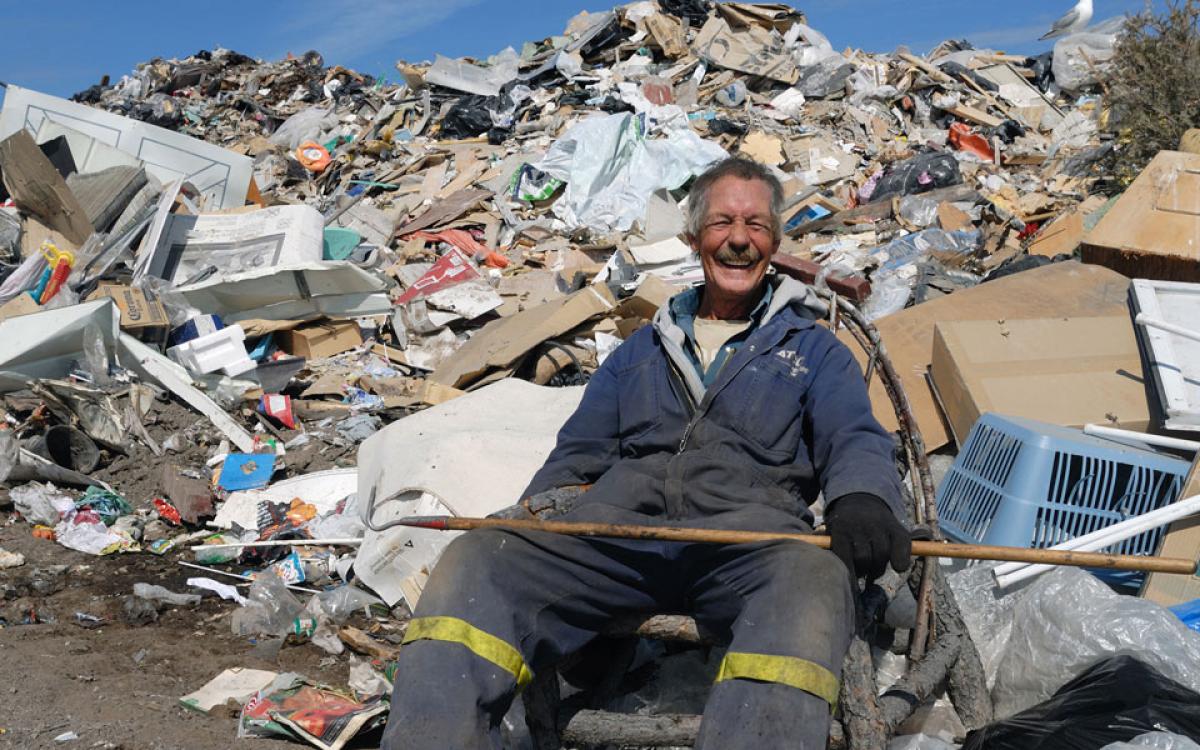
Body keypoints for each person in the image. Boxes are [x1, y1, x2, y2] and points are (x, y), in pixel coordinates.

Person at [381, 157, 911, 749]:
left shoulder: (811, 349)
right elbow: (577, 455)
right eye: (723, 223)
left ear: (776, 242)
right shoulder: (636, 354)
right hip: (617, 535)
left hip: (749, 544)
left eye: (757, 225)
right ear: (693, 239)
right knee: (478, 559)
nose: (739, 239)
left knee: (813, 580)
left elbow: (855, 437)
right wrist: (535, 520)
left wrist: (862, 497)